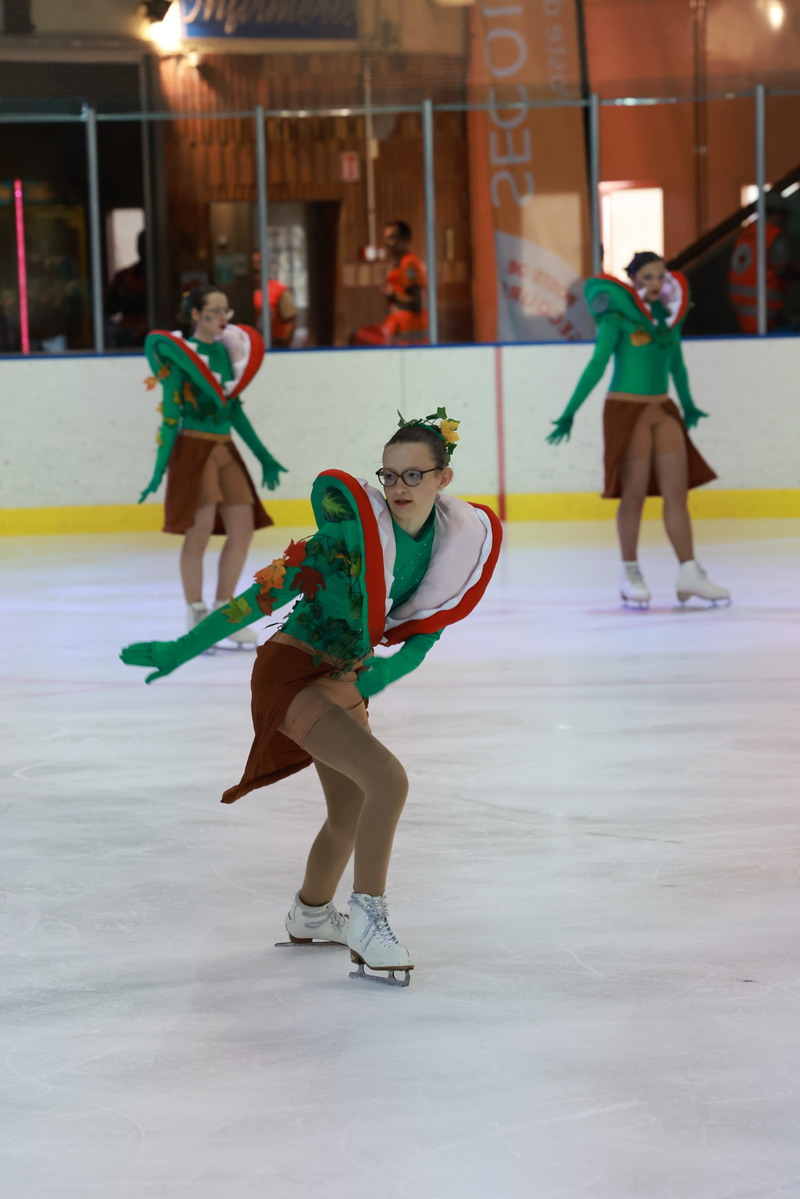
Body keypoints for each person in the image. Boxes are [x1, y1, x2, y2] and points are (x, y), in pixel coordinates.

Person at [121, 411, 502, 987]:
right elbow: (256, 599)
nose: (398, 487)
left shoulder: (451, 545)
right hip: (293, 674)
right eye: (389, 475)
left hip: (345, 679)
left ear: (442, 479)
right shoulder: (343, 540)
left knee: (349, 814)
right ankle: (368, 920)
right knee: (388, 781)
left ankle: (312, 914)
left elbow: (428, 629)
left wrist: (393, 668)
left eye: (413, 476)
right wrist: (182, 647)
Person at [547, 252, 730, 609]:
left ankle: (689, 572)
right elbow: (597, 364)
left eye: (660, 276)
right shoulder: (616, 318)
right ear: (633, 282)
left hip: (663, 408)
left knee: (677, 493)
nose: (655, 284)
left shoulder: (668, 319)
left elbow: (677, 366)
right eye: (647, 277)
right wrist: (570, 411)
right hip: (626, 410)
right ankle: (629, 572)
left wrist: (689, 405)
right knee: (633, 494)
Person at [138, 283, 288, 646]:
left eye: (226, 311)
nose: (223, 318)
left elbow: (233, 409)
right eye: (215, 311)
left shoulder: (224, 354)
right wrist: (159, 468)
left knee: (243, 529)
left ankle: (225, 613)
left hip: (224, 448)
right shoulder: (180, 357)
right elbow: (170, 416)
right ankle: (196, 613)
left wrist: (264, 455)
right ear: (195, 315)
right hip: (194, 449)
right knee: (199, 532)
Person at [352, 220, 429, 347]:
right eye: (386, 238)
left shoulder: (408, 264)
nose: (387, 243)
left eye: (392, 238)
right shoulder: (398, 265)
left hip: (412, 342)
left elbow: (417, 302)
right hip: (401, 339)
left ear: (404, 240)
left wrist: (393, 295)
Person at [729, 195, 795, 334]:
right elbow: (781, 268)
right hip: (766, 305)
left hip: (742, 305)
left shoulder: (746, 233)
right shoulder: (774, 235)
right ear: (777, 212)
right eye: (784, 214)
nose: (786, 218)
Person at [106, 229, 148, 348]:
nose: (144, 249)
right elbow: (109, 306)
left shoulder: (168, 277)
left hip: (159, 332)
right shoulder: (123, 276)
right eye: (141, 245)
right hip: (128, 333)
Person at [252, 251, 298, 348]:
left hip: (277, 342)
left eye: (259, 262)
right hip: (260, 341)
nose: (257, 266)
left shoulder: (279, 290)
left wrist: (284, 344)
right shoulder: (255, 292)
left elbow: (290, 319)